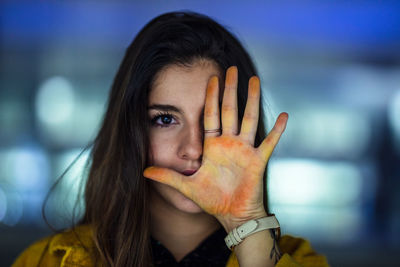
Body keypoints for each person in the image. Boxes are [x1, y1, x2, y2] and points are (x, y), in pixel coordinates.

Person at [13, 11, 329, 267]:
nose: (192, 149)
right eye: (165, 119)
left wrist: (249, 230)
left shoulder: (300, 261)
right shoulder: (48, 261)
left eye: (213, 120)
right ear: (130, 131)